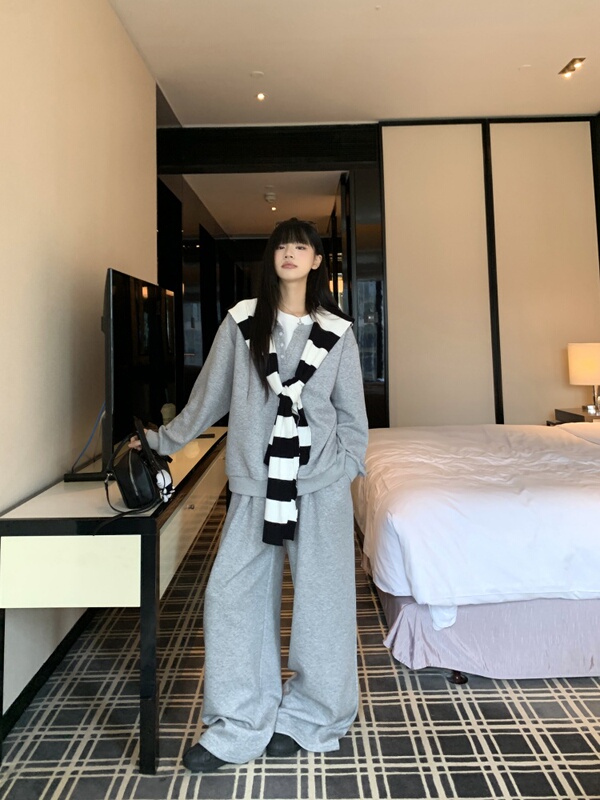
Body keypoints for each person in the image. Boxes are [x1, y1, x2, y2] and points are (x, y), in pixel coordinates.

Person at [136, 218, 368, 772]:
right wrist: (162, 441)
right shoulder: (242, 321)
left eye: (301, 246)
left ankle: (312, 716)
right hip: (255, 484)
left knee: (323, 604)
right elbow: (208, 397)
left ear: (316, 261)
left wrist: (343, 470)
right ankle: (238, 723)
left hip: (320, 485)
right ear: (272, 258)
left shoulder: (338, 331)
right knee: (230, 598)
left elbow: (353, 417)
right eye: (282, 245)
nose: (290, 252)